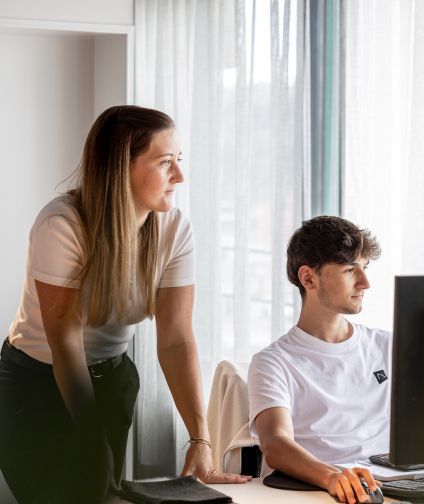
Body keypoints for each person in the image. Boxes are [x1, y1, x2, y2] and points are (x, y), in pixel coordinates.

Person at [0, 105, 250, 504]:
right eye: (165, 162)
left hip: (112, 380)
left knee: (99, 497)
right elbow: (66, 344)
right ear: (121, 167)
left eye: (179, 160)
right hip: (35, 384)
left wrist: (200, 439)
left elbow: (176, 339)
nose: (179, 176)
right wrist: (90, 438)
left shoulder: (174, 228)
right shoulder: (61, 225)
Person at [248, 215, 390, 504]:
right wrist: (332, 478)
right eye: (350, 270)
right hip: (321, 491)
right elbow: (276, 445)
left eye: (364, 268)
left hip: (389, 489)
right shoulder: (273, 363)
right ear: (308, 278)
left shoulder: (389, 347)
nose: (365, 283)